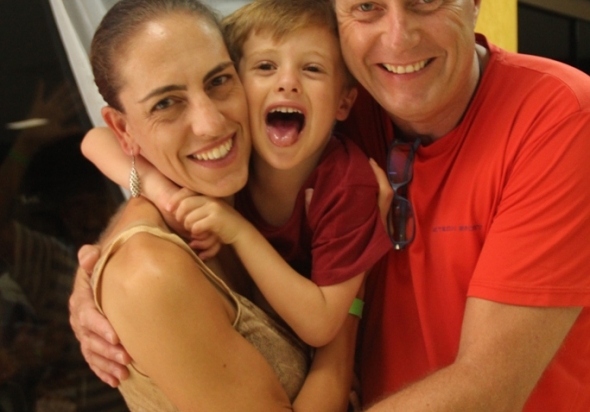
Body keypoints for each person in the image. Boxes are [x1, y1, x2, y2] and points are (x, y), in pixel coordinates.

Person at [72, 0, 590, 410]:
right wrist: (105, 268)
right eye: (366, 7)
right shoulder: (336, 109)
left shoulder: (559, 117)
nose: (398, 37)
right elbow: (119, 139)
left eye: (425, 0)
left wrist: (345, 324)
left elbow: (489, 388)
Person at [74, 0, 360, 410]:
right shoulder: (150, 273)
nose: (211, 123)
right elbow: (93, 143)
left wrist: (154, 185)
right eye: (165, 103)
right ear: (123, 128)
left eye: (219, 81)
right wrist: (351, 306)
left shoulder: (252, 180)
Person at [0, 81, 126, 411]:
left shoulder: (146, 244)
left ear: (114, 199)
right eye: (75, 208)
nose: (87, 217)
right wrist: (25, 146)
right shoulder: (57, 264)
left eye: (94, 203)